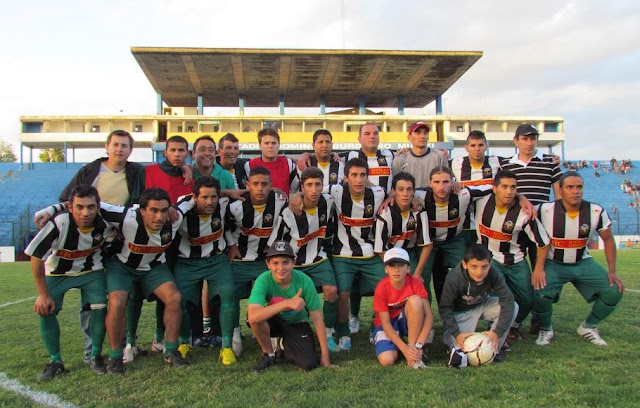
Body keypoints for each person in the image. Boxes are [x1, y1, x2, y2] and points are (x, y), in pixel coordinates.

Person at [57, 129, 144, 364]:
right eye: (116, 144)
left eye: (124, 145)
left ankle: (126, 344)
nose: (119, 149)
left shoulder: (137, 172)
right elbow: (66, 199)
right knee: (92, 297)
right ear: (107, 147)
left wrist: (185, 167)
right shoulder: (90, 170)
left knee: (123, 295)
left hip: (120, 242)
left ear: (130, 150)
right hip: (91, 242)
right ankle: (91, 350)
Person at [98, 188, 193, 372]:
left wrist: (230, 193)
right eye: (153, 211)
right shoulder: (127, 217)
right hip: (122, 266)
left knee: (174, 298)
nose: (159, 216)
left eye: (163, 210)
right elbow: (93, 203)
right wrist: (54, 210)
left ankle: (171, 350)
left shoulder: (175, 218)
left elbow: (192, 198)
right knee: (117, 302)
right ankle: (116, 356)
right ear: (142, 211)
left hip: (153, 267)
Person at [25, 186, 110, 380]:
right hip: (58, 273)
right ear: (70, 208)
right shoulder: (59, 223)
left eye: (90, 207)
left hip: (91, 271)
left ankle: (95, 356)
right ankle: (55, 361)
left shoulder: (107, 220)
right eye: (79, 207)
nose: (85, 212)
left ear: (98, 207)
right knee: (46, 310)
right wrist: (43, 294)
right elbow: (36, 256)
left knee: (100, 308)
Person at [533, 171, 625, 346]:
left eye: (579, 187)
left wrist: (612, 271)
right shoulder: (544, 210)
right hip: (553, 264)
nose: (575, 191)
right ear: (560, 190)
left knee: (614, 291)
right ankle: (545, 328)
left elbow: (608, 239)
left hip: (582, 263)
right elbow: (521, 211)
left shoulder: (596, 211)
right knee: (540, 292)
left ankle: (588, 327)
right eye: (570, 187)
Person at [498, 124, 562, 334]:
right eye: (524, 138)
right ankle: (513, 320)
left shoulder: (549, 163)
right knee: (514, 274)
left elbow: (558, 196)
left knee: (540, 273)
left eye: (533, 138)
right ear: (516, 141)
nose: (529, 142)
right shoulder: (506, 164)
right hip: (514, 227)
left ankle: (539, 319)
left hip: (540, 226)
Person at [270, 167, 340, 351]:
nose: (314, 190)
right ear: (302, 186)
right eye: (309, 185)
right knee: (287, 299)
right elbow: (274, 243)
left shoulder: (329, 201)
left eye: (318, 184)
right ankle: (281, 333)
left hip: (317, 257)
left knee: (332, 291)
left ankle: (328, 332)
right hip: (293, 264)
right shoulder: (288, 212)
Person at [474, 170, 550, 340]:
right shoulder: (480, 201)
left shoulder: (524, 213)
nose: (509, 191)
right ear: (495, 188)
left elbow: (543, 243)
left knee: (527, 299)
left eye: (513, 187)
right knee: (498, 296)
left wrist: (538, 269)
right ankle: (495, 330)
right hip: (490, 259)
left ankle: (512, 325)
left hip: (516, 260)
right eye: (504, 187)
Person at [172, 176, 238, 365]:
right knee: (180, 300)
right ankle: (185, 342)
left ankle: (227, 346)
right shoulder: (183, 208)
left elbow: (255, 195)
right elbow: (174, 214)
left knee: (228, 293)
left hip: (216, 260)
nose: (209, 202)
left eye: (213, 197)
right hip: (187, 262)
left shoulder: (223, 204)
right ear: (195, 197)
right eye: (204, 197)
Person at [225, 166, 288, 356]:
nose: (260, 188)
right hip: (241, 260)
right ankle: (234, 335)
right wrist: (231, 245)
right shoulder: (235, 205)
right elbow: (225, 226)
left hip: (265, 260)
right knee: (231, 295)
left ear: (271, 185)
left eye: (264, 184)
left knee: (274, 296)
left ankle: (274, 334)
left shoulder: (280, 201)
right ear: (248, 185)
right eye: (255, 184)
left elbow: (284, 223)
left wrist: (270, 247)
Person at [247, 240, 335, 373]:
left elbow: (317, 319)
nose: (281, 268)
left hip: (297, 322)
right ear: (268, 264)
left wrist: (325, 358)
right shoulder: (263, 280)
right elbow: (252, 316)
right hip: (273, 321)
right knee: (255, 318)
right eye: (275, 263)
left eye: (285, 262)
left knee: (308, 364)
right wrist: (286, 303)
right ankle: (268, 354)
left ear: (294, 263)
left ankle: (283, 343)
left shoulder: (304, 281)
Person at [328, 158, 386, 350]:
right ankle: (344, 332)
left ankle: (377, 327)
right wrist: (298, 195)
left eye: (362, 175)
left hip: (370, 255)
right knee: (343, 293)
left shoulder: (378, 193)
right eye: (354, 175)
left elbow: (394, 196)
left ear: (368, 177)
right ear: (346, 178)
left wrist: (397, 198)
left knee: (386, 289)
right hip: (343, 255)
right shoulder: (337, 191)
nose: (359, 180)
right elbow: (313, 190)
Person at [413, 166, 492, 304]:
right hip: (427, 243)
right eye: (436, 182)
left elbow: (493, 187)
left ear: (452, 182)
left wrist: (520, 197)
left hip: (453, 241)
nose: (441, 187)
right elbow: (399, 192)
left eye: (446, 182)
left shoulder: (463, 194)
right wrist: (410, 199)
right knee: (422, 276)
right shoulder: (419, 195)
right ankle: (424, 312)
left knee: (468, 272)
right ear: (430, 183)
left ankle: (462, 308)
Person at [439, 244, 517, 363]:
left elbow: (508, 299)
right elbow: (445, 308)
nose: (479, 272)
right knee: (463, 351)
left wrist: (497, 332)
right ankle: (449, 337)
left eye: (484, 267)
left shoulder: (493, 273)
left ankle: (493, 350)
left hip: (481, 305)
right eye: (474, 267)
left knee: (514, 307)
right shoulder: (454, 277)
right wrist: (456, 333)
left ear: (490, 264)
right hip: (460, 313)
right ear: (465, 265)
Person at [372, 248, 433, 369]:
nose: (396, 270)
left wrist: (418, 345)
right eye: (392, 266)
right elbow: (385, 323)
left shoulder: (415, 283)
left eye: (401, 265)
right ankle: (403, 347)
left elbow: (429, 316)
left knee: (415, 300)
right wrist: (404, 349)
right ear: (386, 269)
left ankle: (412, 346)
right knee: (387, 360)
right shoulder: (381, 287)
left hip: (405, 320)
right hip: (388, 325)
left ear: (408, 268)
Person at [374, 172, 432, 285]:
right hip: (387, 255)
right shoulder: (385, 213)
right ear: (393, 191)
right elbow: (380, 249)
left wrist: (418, 273)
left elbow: (427, 245)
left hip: (409, 253)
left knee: (417, 283)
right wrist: (394, 268)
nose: (405, 194)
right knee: (391, 284)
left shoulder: (419, 212)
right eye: (401, 189)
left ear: (413, 192)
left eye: (409, 189)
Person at [450, 130, 501, 247]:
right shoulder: (455, 163)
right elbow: (439, 172)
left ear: (486, 146)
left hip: (489, 224)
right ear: (466, 147)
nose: (477, 149)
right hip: (465, 225)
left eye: (480, 145)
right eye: (473, 145)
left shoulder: (497, 162)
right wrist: (451, 182)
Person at [392, 121, 448, 189]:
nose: (422, 136)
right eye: (418, 133)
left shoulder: (439, 156)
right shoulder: (400, 159)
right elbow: (396, 187)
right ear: (409, 137)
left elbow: (447, 181)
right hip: (411, 196)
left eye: (425, 133)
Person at [245, 128, 298, 195]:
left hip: (283, 202)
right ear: (260, 146)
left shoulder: (289, 163)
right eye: (266, 143)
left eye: (273, 143)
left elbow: (293, 190)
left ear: (279, 145)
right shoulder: (249, 165)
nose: (270, 146)